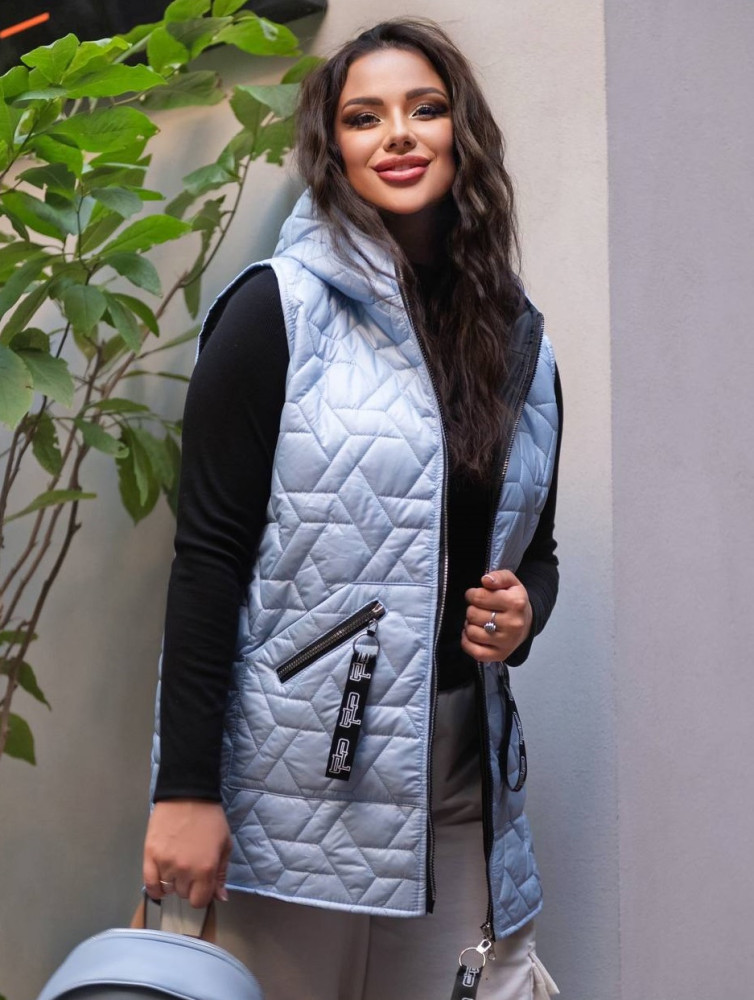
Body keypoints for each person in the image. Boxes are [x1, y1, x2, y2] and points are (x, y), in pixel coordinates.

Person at [142, 18, 562, 1000]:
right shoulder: (272, 312)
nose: (398, 134)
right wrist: (184, 792)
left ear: (462, 132)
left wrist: (525, 609)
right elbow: (208, 560)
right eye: (364, 117)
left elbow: (535, 547)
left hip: (463, 781)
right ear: (332, 149)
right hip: (298, 785)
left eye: (425, 108)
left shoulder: (517, 340)